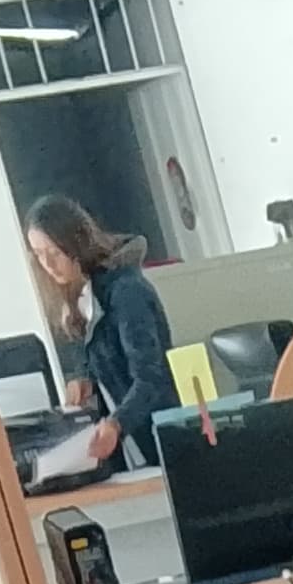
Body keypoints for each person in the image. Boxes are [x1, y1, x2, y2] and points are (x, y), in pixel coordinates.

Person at [25, 192, 178, 469]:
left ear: (76, 244)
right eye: (39, 254)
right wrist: (85, 380)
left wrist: (117, 423)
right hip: (127, 453)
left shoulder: (126, 292)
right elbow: (102, 360)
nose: (48, 265)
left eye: (54, 252)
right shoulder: (82, 299)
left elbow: (151, 378)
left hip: (159, 445)